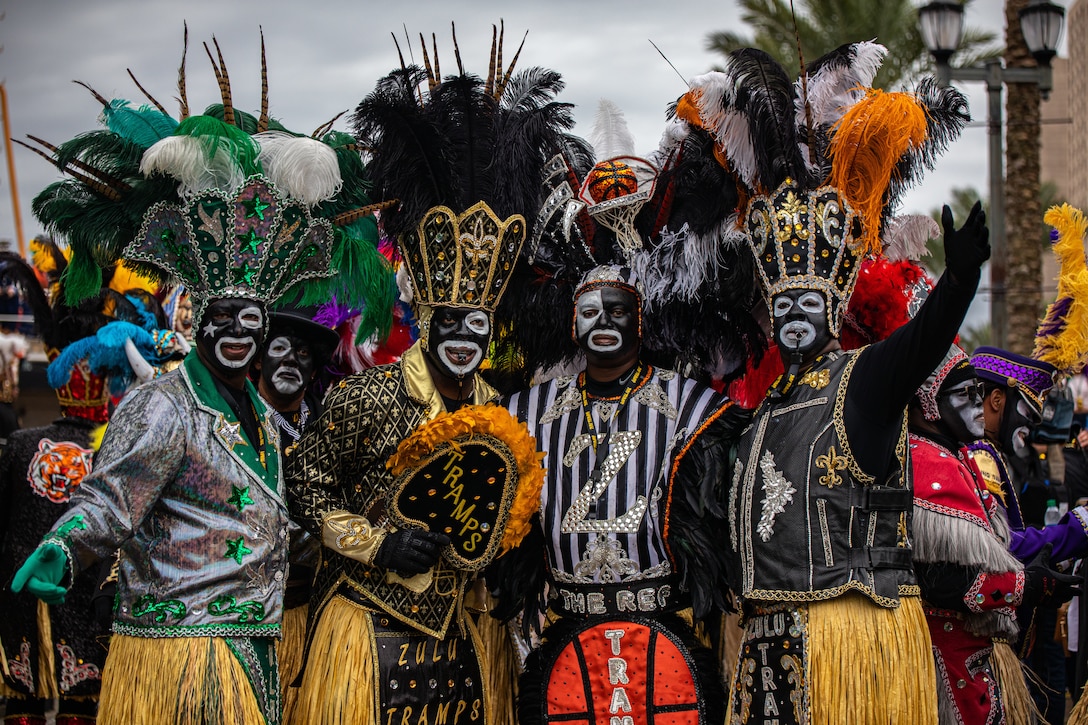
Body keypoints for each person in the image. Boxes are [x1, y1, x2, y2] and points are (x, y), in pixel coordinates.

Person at [9, 28, 390, 724]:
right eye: (227, 317)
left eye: (254, 319)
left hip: (250, 652)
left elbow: (265, 520)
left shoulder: (264, 418)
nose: (242, 331)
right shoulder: (163, 405)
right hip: (179, 662)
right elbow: (111, 498)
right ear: (199, 322)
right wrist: (65, 546)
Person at [673, 42, 979, 721]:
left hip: (852, 644)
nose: (793, 318)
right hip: (768, 652)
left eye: (808, 305)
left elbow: (918, 347)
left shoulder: (863, 381)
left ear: (834, 304)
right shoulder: (760, 416)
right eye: (782, 305)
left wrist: (957, 286)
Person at [285, 26, 573, 725]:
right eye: (453, 323)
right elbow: (305, 484)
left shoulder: (506, 413)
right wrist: (377, 541)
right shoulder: (370, 395)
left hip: (470, 637)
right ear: (427, 319)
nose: (467, 340)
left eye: (480, 326)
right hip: (369, 628)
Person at [497, 264, 740, 724]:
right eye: (589, 311)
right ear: (573, 323)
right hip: (566, 638)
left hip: (663, 639)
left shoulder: (692, 407)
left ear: (639, 320)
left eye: (617, 310)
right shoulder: (525, 411)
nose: (603, 322)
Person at [910, 347, 1076, 724]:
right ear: (930, 405)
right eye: (964, 395)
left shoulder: (956, 456)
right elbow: (940, 579)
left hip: (974, 654)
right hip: (939, 656)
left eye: (977, 394)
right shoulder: (925, 460)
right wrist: (1027, 583)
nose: (977, 406)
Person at [252, 306, 338, 713]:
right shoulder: (232, 423)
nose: (289, 359)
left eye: (302, 353)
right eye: (279, 348)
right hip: (245, 616)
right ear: (258, 359)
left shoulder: (332, 426)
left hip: (312, 615)